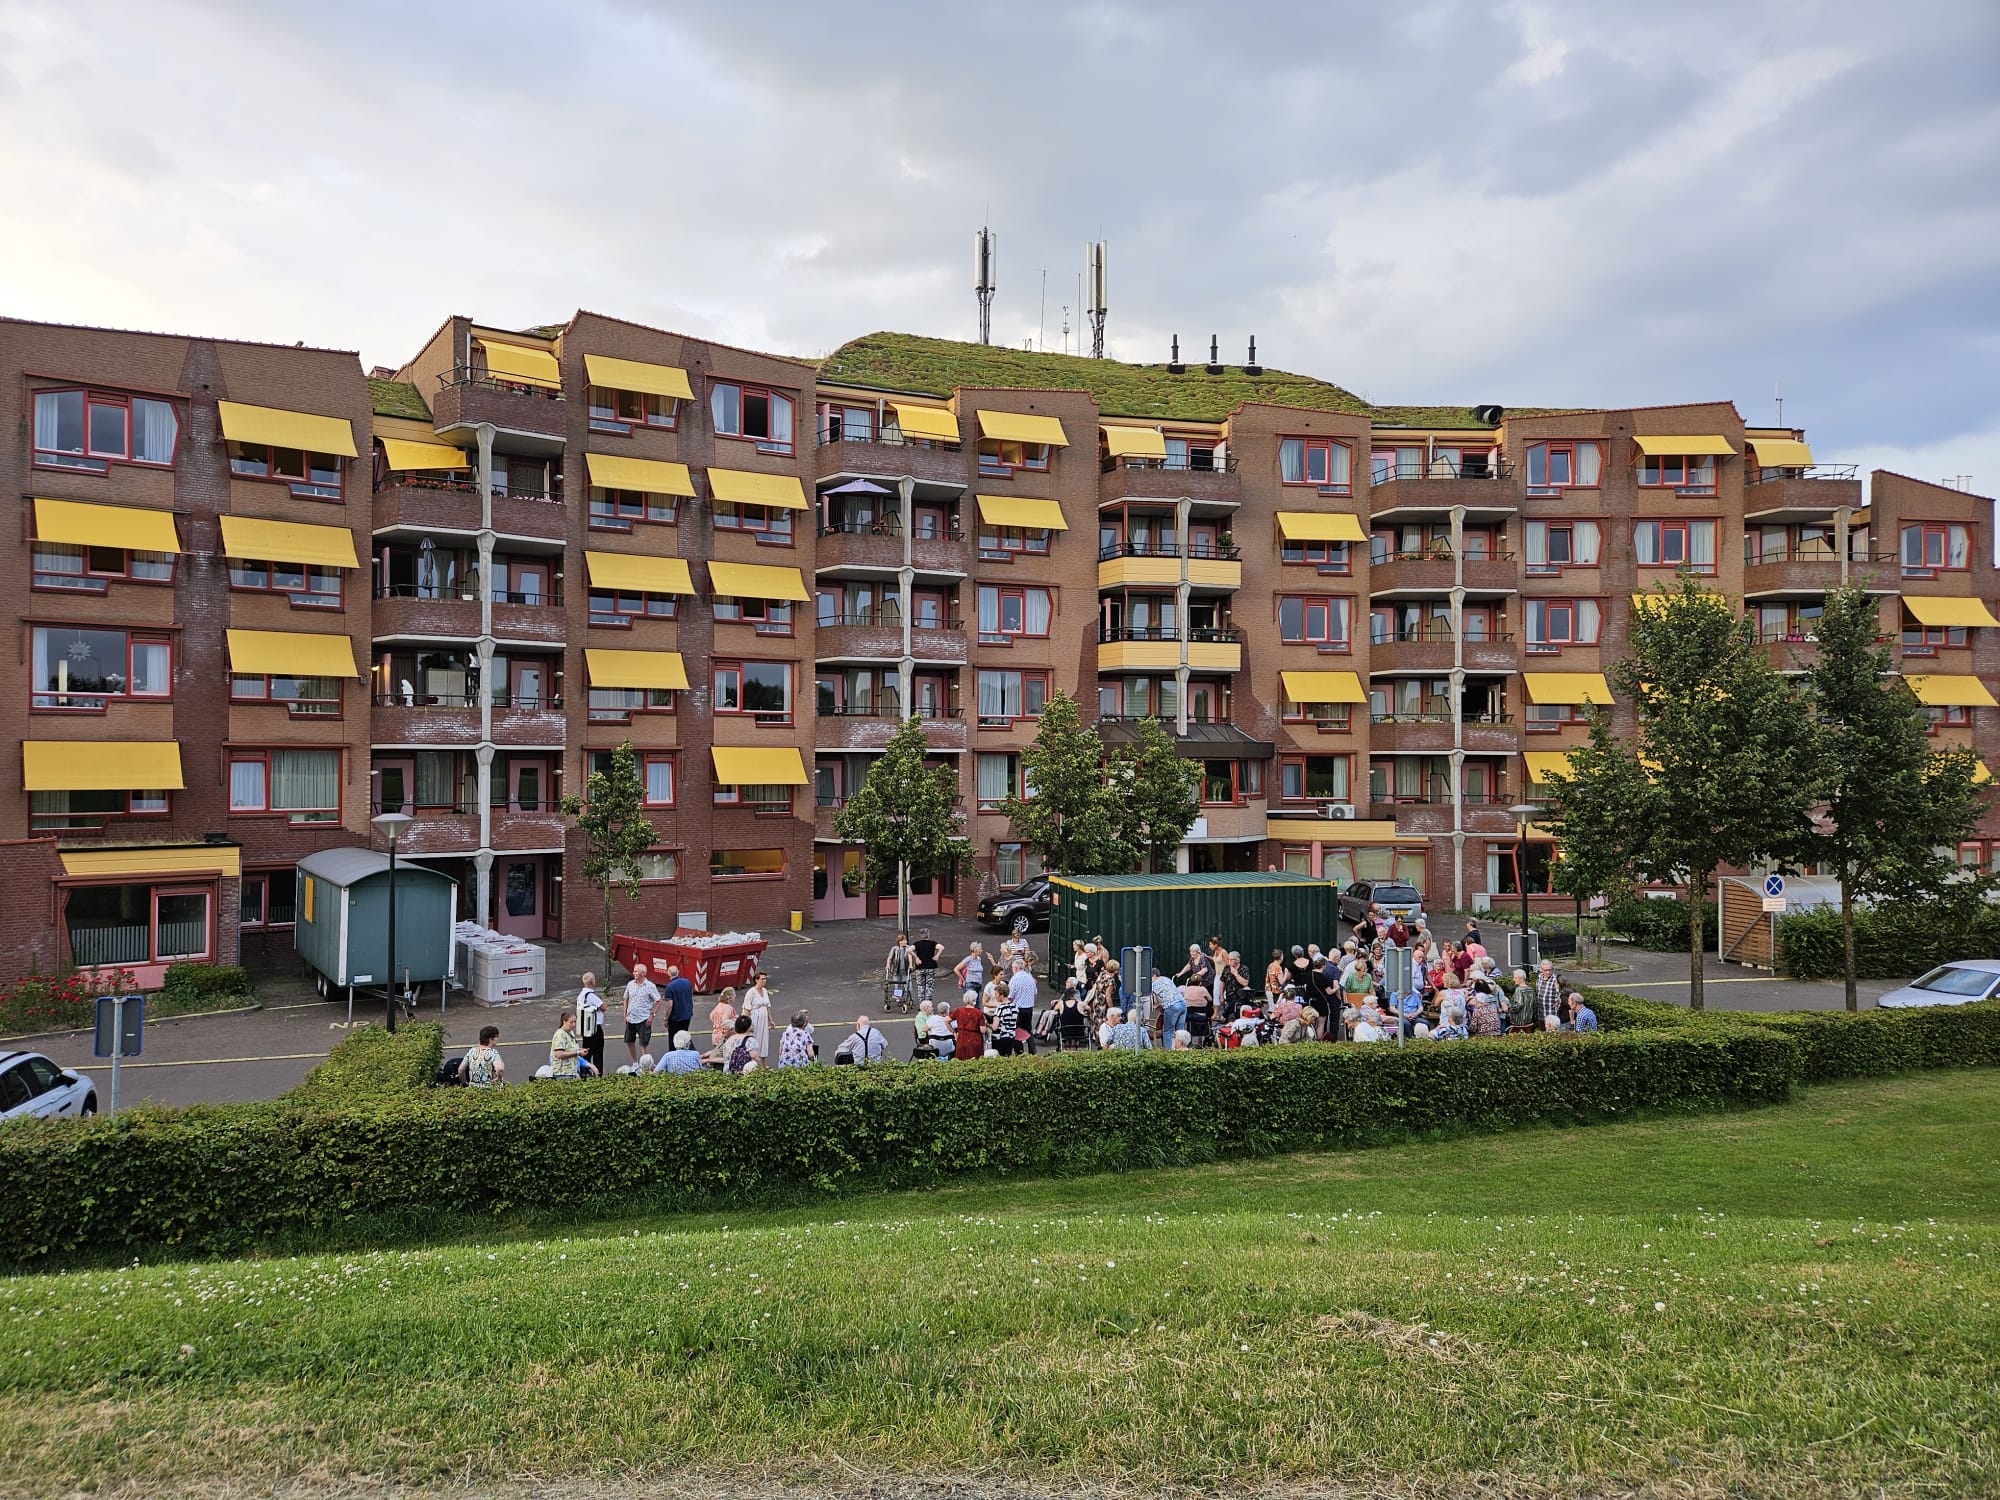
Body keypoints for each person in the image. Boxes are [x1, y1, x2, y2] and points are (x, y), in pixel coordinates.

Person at [621, 964, 661, 1066]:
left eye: (636, 971)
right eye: (634, 971)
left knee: (644, 1043)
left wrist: (652, 1015)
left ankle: (644, 1066)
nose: (634, 973)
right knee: (629, 1041)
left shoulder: (650, 986)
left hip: (643, 1019)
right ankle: (635, 1063)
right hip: (631, 1018)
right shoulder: (630, 984)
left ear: (643, 973)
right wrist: (625, 1014)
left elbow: (658, 1001)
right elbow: (626, 998)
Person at [574, 972, 605, 1078]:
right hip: (595, 1027)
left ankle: (585, 1072)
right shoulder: (591, 995)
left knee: (587, 1051)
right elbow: (603, 1006)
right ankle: (598, 1074)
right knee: (598, 1052)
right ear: (592, 982)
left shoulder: (581, 995)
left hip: (585, 1027)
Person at [663, 965, 696, 1052]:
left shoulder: (669, 987)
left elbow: (670, 1004)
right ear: (678, 972)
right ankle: (689, 1051)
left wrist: (666, 1018)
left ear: (668, 973)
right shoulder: (687, 982)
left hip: (675, 1018)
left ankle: (674, 1054)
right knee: (684, 1034)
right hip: (687, 1015)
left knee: (674, 1038)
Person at [1006, 958, 1038, 1049]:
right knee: (1028, 1029)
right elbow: (1035, 992)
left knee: (1017, 1030)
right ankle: (1032, 1050)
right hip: (1029, 1007)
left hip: (1018, 1008)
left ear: (1016, 968)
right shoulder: (1030, 978)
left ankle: (1019, 1051)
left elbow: (1010, 996)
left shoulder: (1014, 980)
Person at [743, 971, 772, 1062]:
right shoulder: (751, 992)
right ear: (756, 980)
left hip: (764, 1020)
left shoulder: (765, 991)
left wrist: (771, 1020)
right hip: (755, 1020)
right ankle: (754, 1062)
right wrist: (748, 1024)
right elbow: (746, 1009)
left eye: (765, 979)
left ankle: (763, 1063)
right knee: (755, 1040)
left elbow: (768, 1006)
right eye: (762, 979)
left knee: (764, 1040)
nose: (764, 981)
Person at [949, 991, 987, 1059]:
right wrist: (986, 1023)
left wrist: (953, 1032)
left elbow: (946, 1020)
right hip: (975, 1039)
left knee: (961, 1059)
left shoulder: (959, 1010)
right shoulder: (979, 1013)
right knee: (975, 1060)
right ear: (974, 1000)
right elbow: (983, 1030)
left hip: (962, 1038)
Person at [1053, 983, 1092, 1050]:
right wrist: (1087, 1013)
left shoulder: (1061, 1004)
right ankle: (1075, 1045)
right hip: (1079, 1031)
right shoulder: (1080, 1004)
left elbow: (1055, 1009)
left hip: (1065, 1031)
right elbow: (1089, 1009)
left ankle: (1067, 1047)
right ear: (1073, 996)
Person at [911, 928, 942, 1010]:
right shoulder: (933, 943)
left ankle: (922, 1004)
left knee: (920, 986)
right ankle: (928, 1004)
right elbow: (941, 947)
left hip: (920, 967)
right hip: (931, 966)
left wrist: (916, 958)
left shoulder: (917, 944)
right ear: (928, 935)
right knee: (929, 986)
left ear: (920, 935)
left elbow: (909, 950)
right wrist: (937, 955)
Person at [885, 932, 915, 1010]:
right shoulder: (895, 949)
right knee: (897, 986)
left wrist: (910, 965)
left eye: (905, 940)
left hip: (905, 970)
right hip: (896, 971)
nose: (905, 942)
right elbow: (889, 958)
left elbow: (910, 957)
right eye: (903, 940)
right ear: (899, 941)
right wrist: (888, 965)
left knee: (908, 986)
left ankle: (910, 999)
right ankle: (899, 999)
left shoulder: (908, 948)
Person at [548, 1010, 582, 1079]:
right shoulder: (560, 1034)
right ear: (564, 1021)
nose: (574, 1024)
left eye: (575, 1022)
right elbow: (559, 1054)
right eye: (571, 1022)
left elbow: (570, 1049)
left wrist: (579, 1050)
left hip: (571, 1071)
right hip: (563, 1073)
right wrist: (578, 1052)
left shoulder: (570, 1033)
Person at [1535, 959, 1564, 1029]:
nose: (1548, 972)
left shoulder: (1555, 980)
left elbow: (1561, 993)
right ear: (1541, 970)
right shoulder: (1539, 977)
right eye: (1545, 970)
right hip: (1541, 1013)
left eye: (1550, 970)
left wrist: (1558, 1000)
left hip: (1551, 1014)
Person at [708, 987, 739, 1052]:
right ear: (730, 997)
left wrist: (716, 1023)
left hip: (716, 1034)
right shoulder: (729, 1008)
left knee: (717, 1053)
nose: (735, 996)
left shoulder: (719, 1005)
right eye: (734, 994)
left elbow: (711, 1016)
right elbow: (725, 1021)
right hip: (724, 1037)